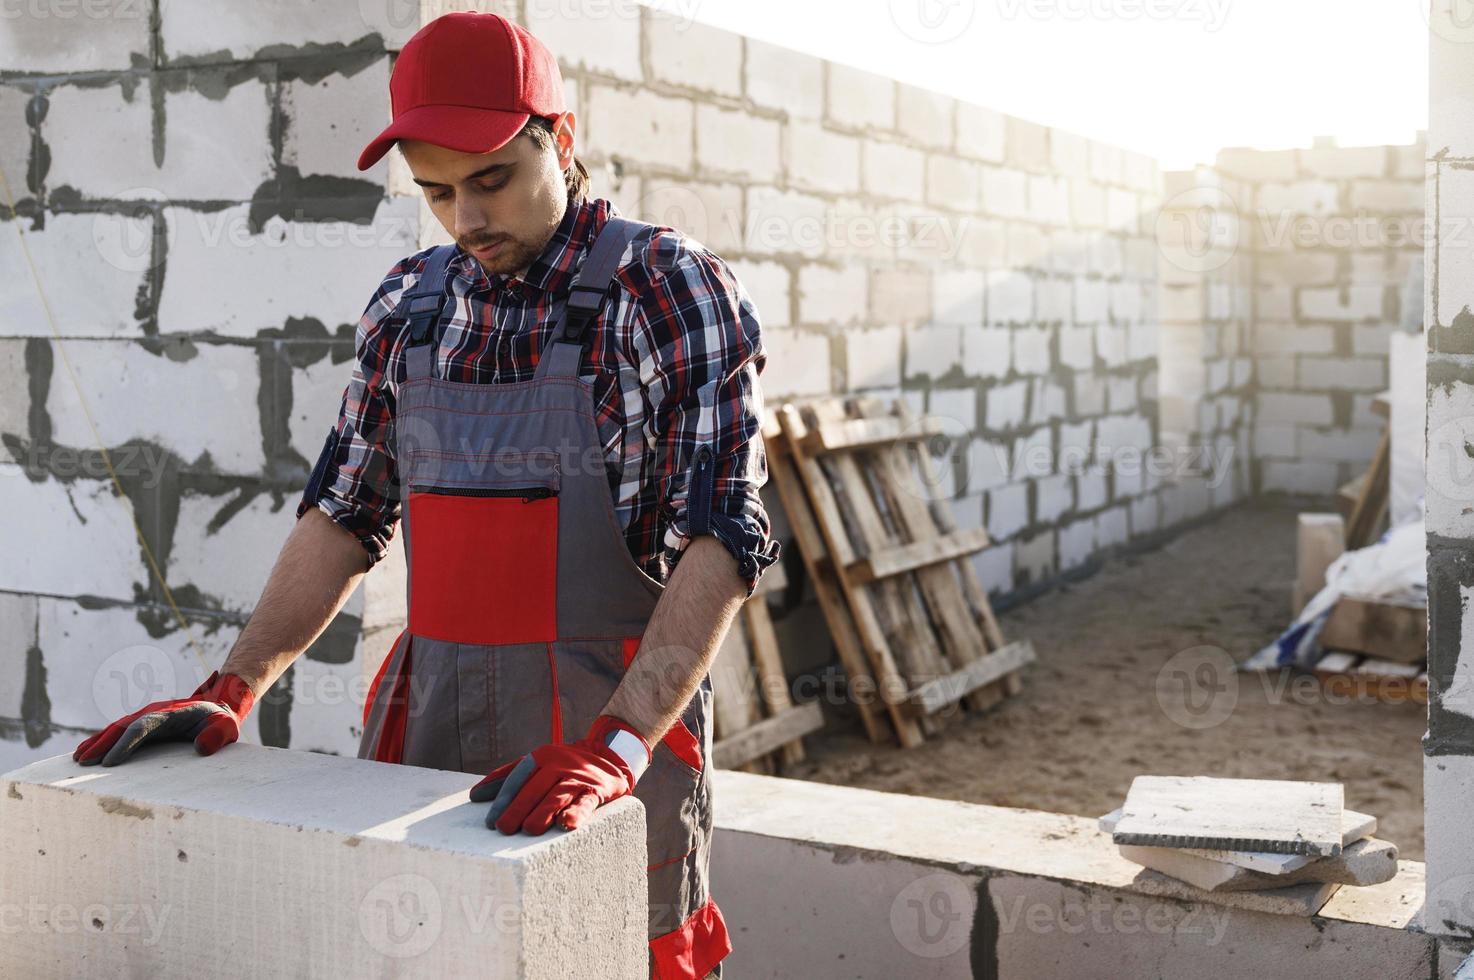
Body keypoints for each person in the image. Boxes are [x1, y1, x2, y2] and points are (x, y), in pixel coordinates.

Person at [71, 12, 782, 979]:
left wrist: (617, 748)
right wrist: (233, 688)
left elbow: (726, 535)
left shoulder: (669, 290)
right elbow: (344, 514)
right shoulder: (411, 306)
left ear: (560, 143)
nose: (467, 218)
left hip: (608, 734)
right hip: (429, 728)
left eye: (491, 180)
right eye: (438, 191)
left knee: (614, 953)